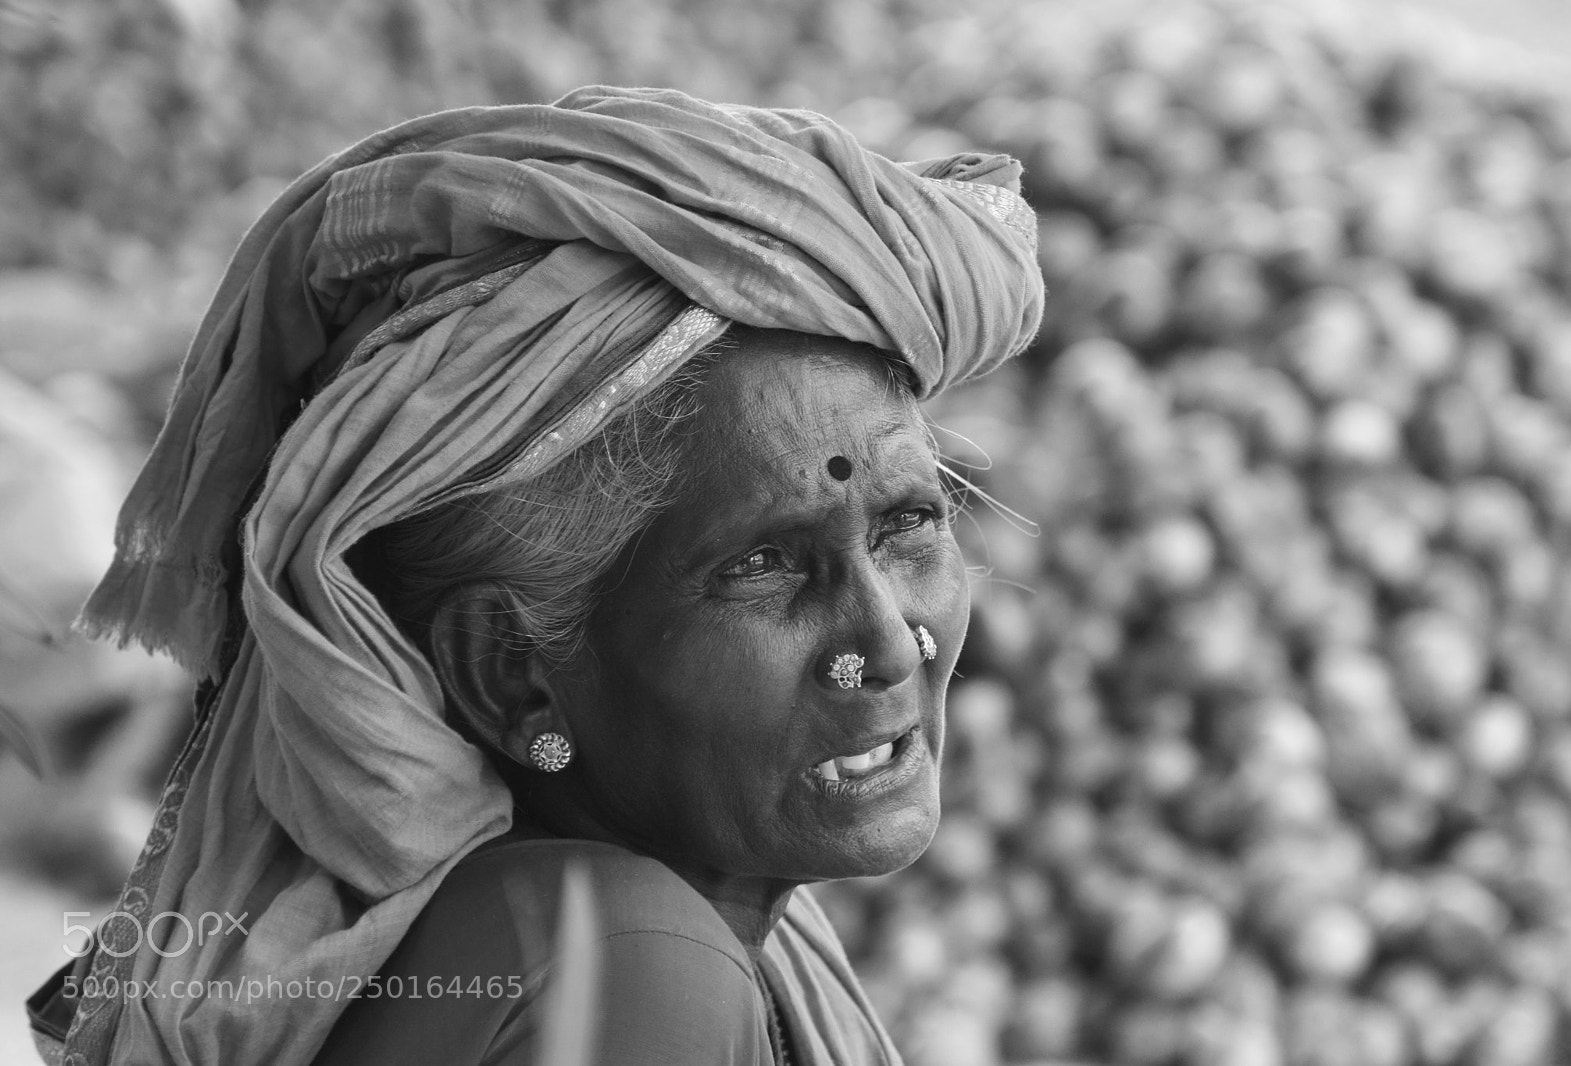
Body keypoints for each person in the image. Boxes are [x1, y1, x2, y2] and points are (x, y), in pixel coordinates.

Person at [28, 86, 1042, 1065]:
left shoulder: (580, 944)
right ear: (509, 672)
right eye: (765, 566)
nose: (885, 639)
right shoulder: (630, 966)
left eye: (908, 522)